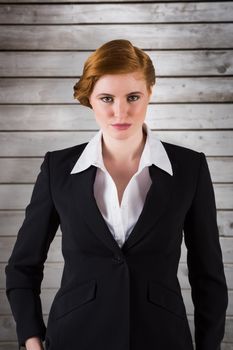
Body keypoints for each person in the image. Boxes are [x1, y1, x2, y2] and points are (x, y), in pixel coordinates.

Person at [5, 39, 228, 350]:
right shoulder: (58, 168)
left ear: (150, 93)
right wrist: (31, 341)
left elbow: (208, 275)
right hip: (74, 336)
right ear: (90, 100)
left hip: (162, 338)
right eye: (107, 98)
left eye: (133, 96)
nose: (120, 112)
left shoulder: (189, 168)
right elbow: (22, 267)